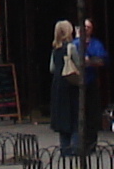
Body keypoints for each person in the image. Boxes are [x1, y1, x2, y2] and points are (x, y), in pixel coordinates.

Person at [74, 20, 109, 155]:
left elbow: (102, 60)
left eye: (89, 27)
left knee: (93, 115)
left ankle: (91, 144)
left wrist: (91, 61)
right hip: (77, 83)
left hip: (91, 82)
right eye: (84, 27)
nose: (86, 29)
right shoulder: (75, 43)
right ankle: (79, 144)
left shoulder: (96, 44)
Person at [47, 19, 80, 155]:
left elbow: (52, 68)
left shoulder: (55, 49)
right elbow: (78, 63)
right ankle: (75, 148)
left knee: (62, 118)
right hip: (70, 84)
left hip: (57, 85)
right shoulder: (71, 47)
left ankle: (64, 148)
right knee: (74, 117)